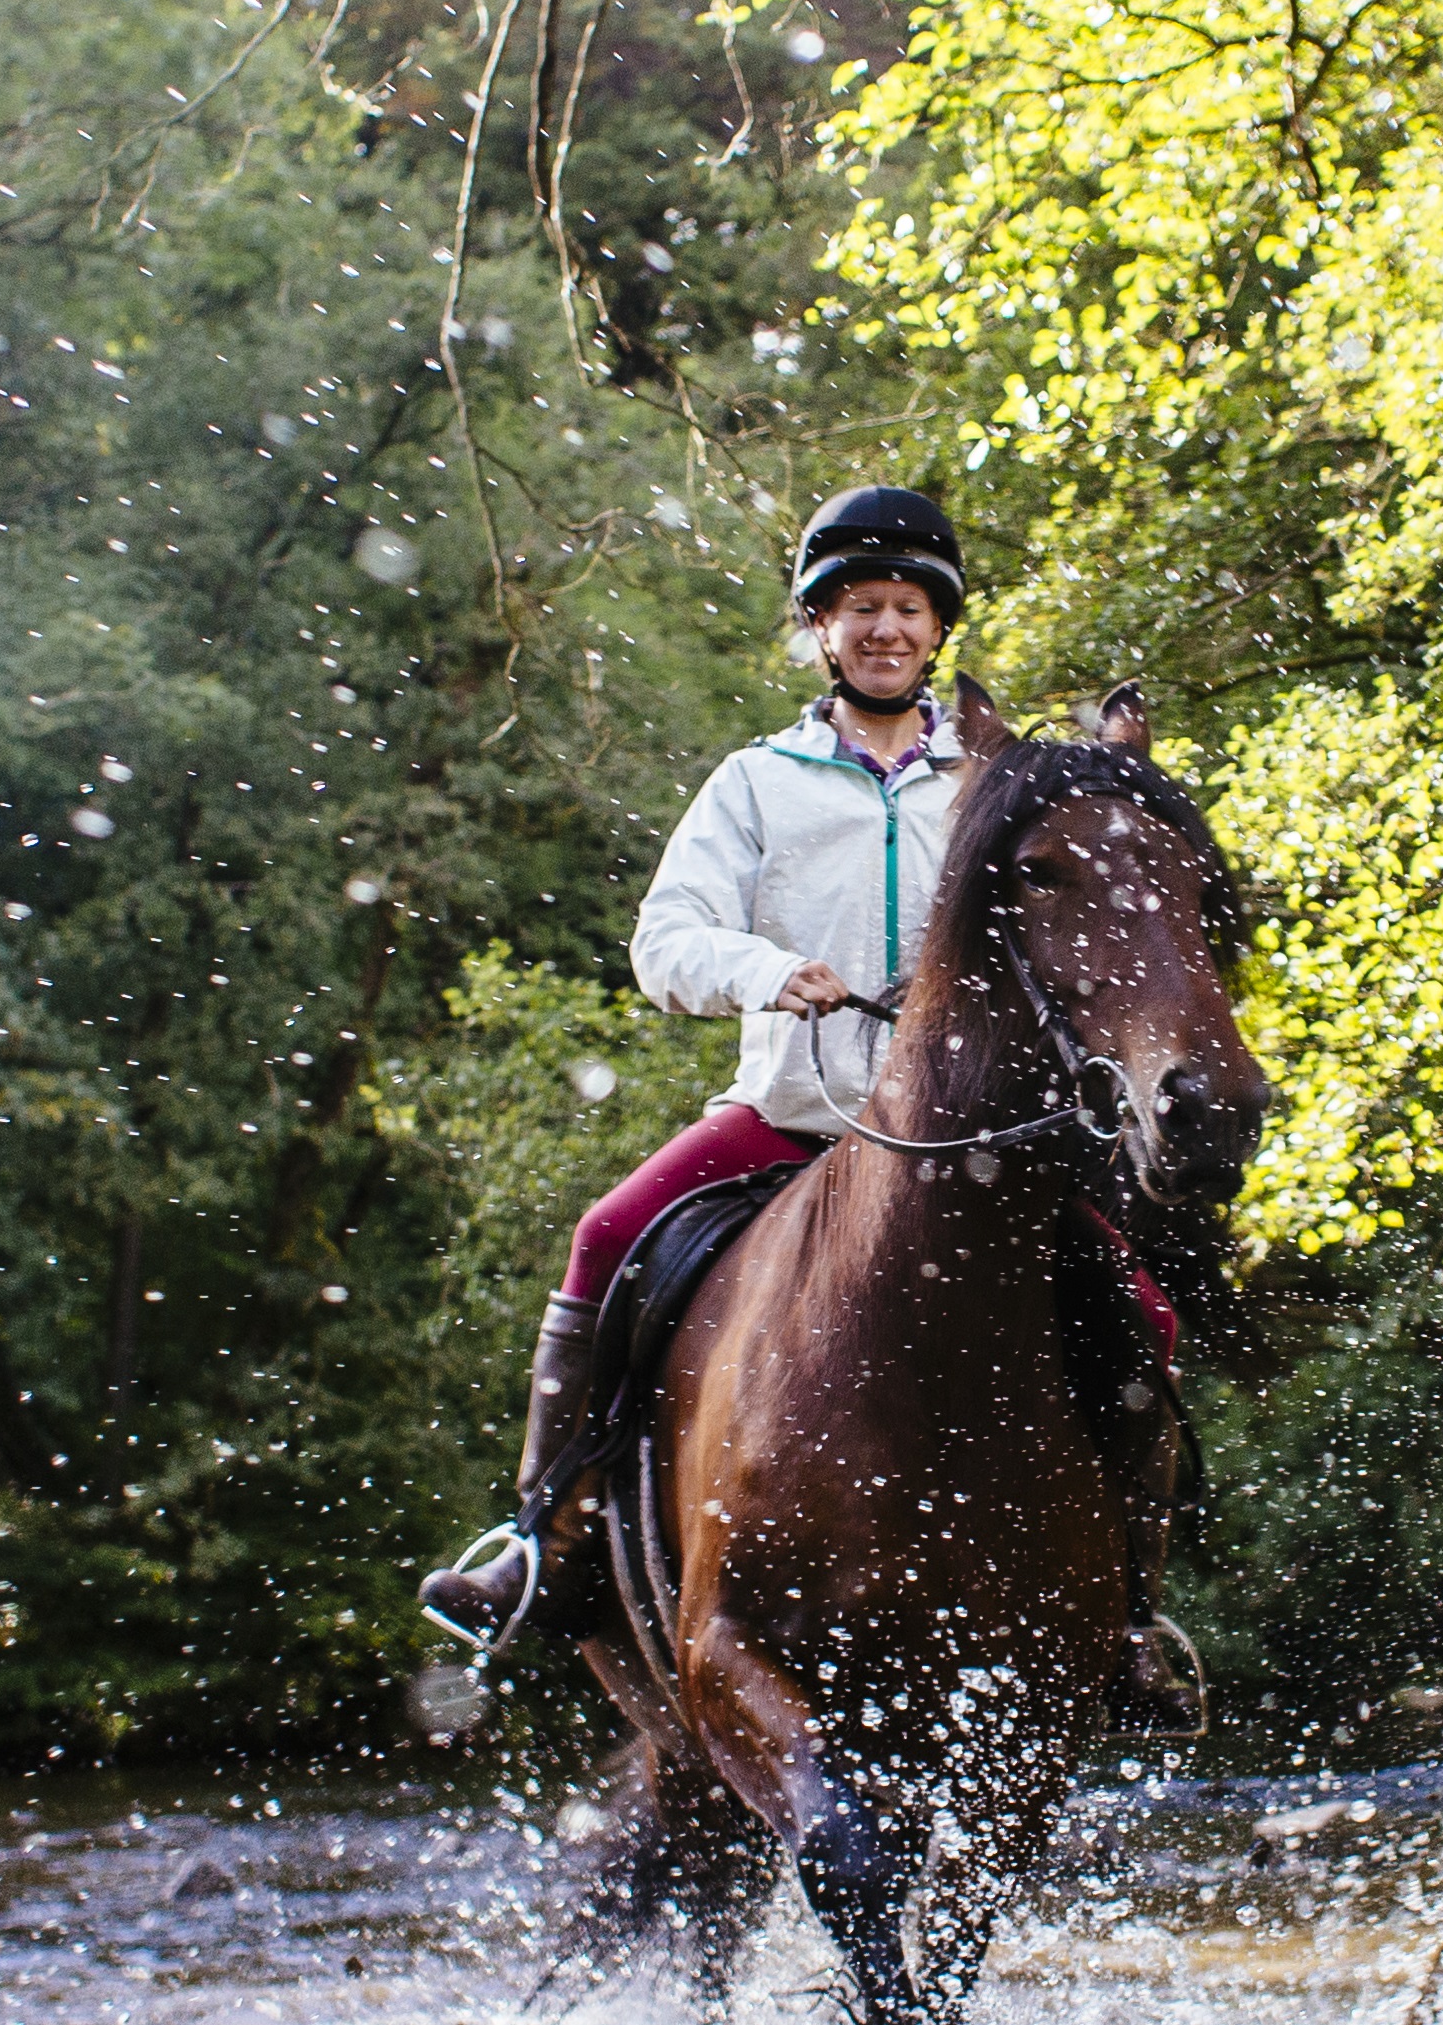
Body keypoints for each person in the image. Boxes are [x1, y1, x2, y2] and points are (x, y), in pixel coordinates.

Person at [417, 485, 1202, 1725]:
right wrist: (768, 973)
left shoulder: (988, 783)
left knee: (1139, 1306)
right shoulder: (757, 783)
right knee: (605, 1236)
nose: (886, 629)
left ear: (938, 629)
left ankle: (1128, 1612)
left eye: (908, 608)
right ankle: (539, 1535)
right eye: (860, 609)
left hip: (971, 1152)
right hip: (790, 1119)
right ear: (820, 628)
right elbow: (664, 939)